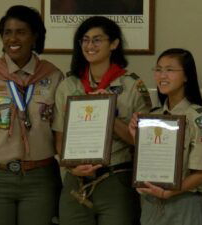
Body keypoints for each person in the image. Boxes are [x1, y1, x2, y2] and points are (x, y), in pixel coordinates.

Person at [0, 5, 63, 225]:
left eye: (21, 32)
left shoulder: (54, 77)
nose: (13, 38)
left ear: (34, 36)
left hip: (39, 180)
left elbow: (61, 135)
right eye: (7, 32)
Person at [52, 16, 151, 225]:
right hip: (75, 179)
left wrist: (107, 112)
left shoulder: (131, 85)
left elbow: (142, 142)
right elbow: (59, 137)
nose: (90, 45)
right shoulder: (68, 85)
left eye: (97, 40)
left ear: (114, 44)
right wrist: (70, 167)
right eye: (85, 40)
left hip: (115, 177)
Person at [128, 48, 202, 225]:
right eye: (158, 70)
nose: (162, 75)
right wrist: (136, 136)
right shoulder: (152, 117)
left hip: (183, 203)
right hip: (151, 204)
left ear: (186, 76)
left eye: (170, 70)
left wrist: (171, 192)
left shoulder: (198, 117)